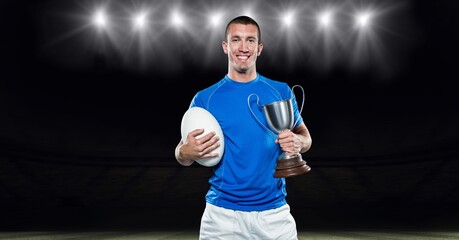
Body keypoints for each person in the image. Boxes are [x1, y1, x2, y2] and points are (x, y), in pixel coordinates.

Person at [175, 15, 312, 240]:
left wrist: (299, 142)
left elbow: (305, 137)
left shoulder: (281, 91)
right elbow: (182, 152)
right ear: (225, 46)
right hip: (221, 216)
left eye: (250, 40)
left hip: (274, 215)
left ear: (259, 49)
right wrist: (184, 152)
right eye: (236, 39)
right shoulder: (205, 98)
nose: (243, 47)